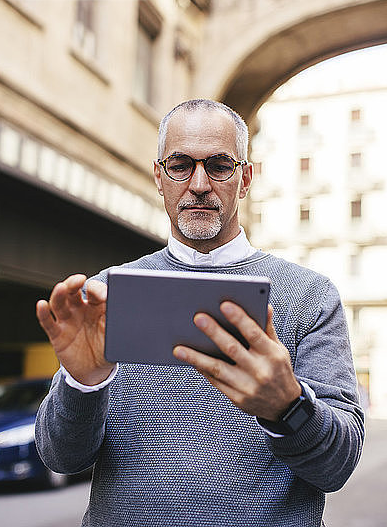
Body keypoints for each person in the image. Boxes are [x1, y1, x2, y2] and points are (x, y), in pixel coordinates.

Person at [35, 99, 364, 527]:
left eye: (220, 165)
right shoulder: (104, 295)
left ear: (245, 179)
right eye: (180, 165)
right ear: (159, 177)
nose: (200, 183)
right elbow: (61, 458)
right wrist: (82, 384)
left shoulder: (310, 296)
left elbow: (337, 468)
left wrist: (288, 406)